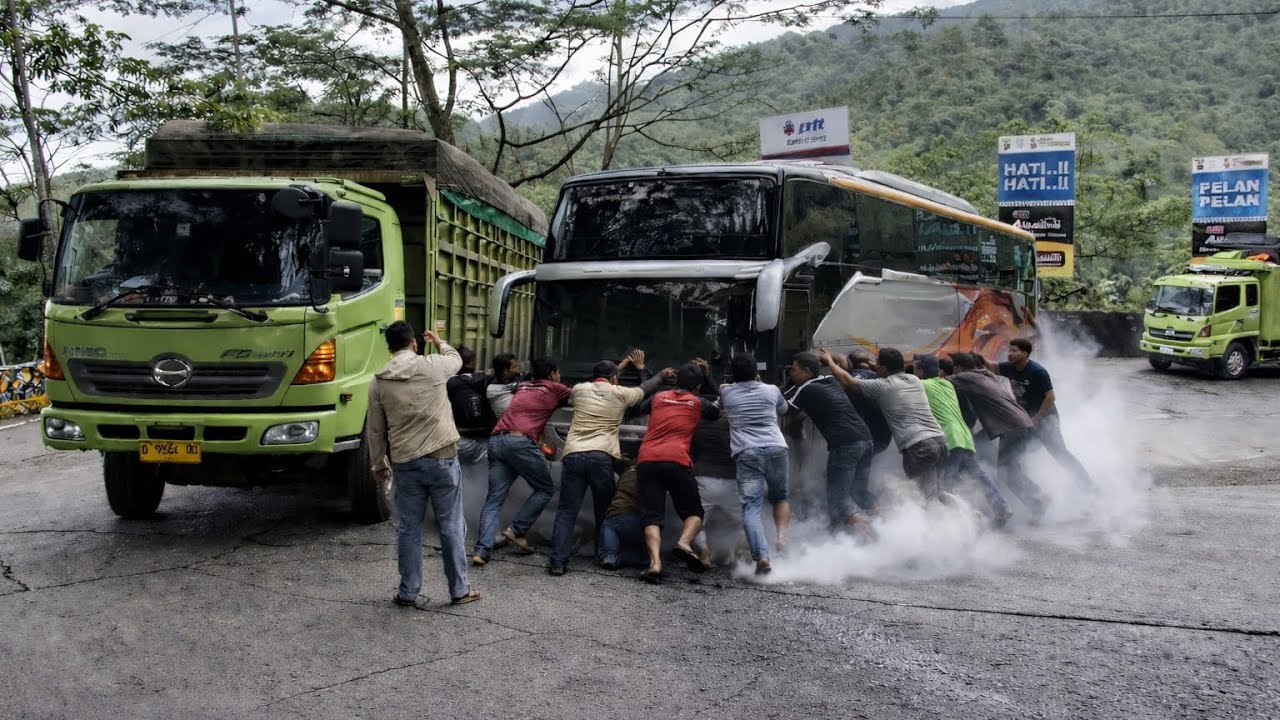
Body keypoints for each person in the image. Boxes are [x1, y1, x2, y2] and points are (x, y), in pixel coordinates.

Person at [367, 321, 481, 608]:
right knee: (451, 525)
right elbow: (456, 359)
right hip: (442, 457)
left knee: (408, 528)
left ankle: (408, 592)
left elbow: (375, 430)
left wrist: (378, 463)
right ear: (414, 343)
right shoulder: (432, 366)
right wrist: (439, 340)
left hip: (405, 462)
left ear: (389, 347)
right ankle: (459, 590)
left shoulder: (379, 380)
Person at [548, 349, 672, 575]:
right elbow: (645, 390)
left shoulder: (579, 389)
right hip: (601, 456)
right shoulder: (621, 393)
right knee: (604, 510)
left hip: (573, 454)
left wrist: (621, 365)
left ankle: (557, 561)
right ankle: (604, 554)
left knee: (566, 510)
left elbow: (601, 380)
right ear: (615, 379)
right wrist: (661, 376)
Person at [470, 357, 572, 566]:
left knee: (494, 499)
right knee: (544, 489)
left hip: (497, 440)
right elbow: (583, 396)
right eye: (558, 372)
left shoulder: (523, 386)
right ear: (553, 374)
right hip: (520, 442)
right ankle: (516, 530)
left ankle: (482, 551)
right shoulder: (556, 388)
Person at [821, 347, 949, 502]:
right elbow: (891, 371)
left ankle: (928, 524)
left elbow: (849, 382)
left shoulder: (883, 386)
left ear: (883, 367)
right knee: (938, 492)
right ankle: (962, 512)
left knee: (920, 496)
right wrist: (875, 365)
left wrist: (829, 362)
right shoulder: (914, 380)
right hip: (940, 441)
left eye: (878, 364)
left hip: (918, 447)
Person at [635, 363, 720, 583]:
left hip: (647, 459)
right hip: (677, 460)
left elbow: (641, 407)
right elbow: (717, 411)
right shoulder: (698, 402)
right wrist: (708, 379)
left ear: (676, 381)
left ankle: (655, 563)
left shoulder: (659, 397)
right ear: (698, 386)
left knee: (651, 515)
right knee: (694, 511)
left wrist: (658, 380)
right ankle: (684, 542)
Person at [782, 351, 876, 537]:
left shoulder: (806, 388)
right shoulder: (829, 380)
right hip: (866, 439)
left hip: (845, 444)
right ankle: (888, 522)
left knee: (838, 498)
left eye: (793, 370)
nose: (790, 373)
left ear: (807, 371)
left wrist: (762, 391)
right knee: (859, 492)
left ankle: (873, 536)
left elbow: (786, 409)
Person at [947, 352, 1046, 521]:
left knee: (1006, 471)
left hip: (1012, 426)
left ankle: (1038, 501)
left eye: (953, 368)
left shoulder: (966, 377)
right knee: (1009, 466)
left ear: (959, 368)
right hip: (1019, 422)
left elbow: (938, 382)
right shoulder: (984, 374)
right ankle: (1036, 499)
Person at [914, 353, 1011, 525]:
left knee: (946, 484)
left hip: (949, 437)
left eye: (915, 368)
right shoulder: (948, 383)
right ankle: (1001, 505)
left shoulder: (921, 385)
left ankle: (962, 519)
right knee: (978, 474)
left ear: (921, 371)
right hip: (965, 435)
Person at [985, 339, 1093, 490]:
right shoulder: (1011, 368)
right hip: (1026, 420)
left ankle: (1087, 484)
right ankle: (1034, 493)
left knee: (1058, 452)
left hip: (1046, 419)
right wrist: (979, 359)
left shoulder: (1037, 371)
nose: (1010, 353)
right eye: (1009, 350)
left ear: (1025, 353)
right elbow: (994, 367)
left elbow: (1050, 398)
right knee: (1017, 455)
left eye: (1014, 351)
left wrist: (1037, 418)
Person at [719, 353, 791, 575]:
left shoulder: (726, 391)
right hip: (777, 448)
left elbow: (721, 399)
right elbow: (784, 410)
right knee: (780, 497)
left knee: (751, 508)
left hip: (748, 452)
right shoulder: (771, 390)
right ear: (756, 373)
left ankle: (762, 557)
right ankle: (781, 539)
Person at [446, 346, 494, 465]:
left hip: (459, 438)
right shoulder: (485, 380)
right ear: (470, 364)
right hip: (485, 438)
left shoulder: (447, 383)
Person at [597, 463, 648, 570]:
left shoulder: (625, 474)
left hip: (616, 513)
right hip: (640, 518)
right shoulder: (650, 475)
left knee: (609, 526)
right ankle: (643, 559)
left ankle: (610, 558)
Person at [486, 353, 522, 419]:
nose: (517, 370)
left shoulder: (517, 379)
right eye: (514, 367)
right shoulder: (492, 388)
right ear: (505, 371)